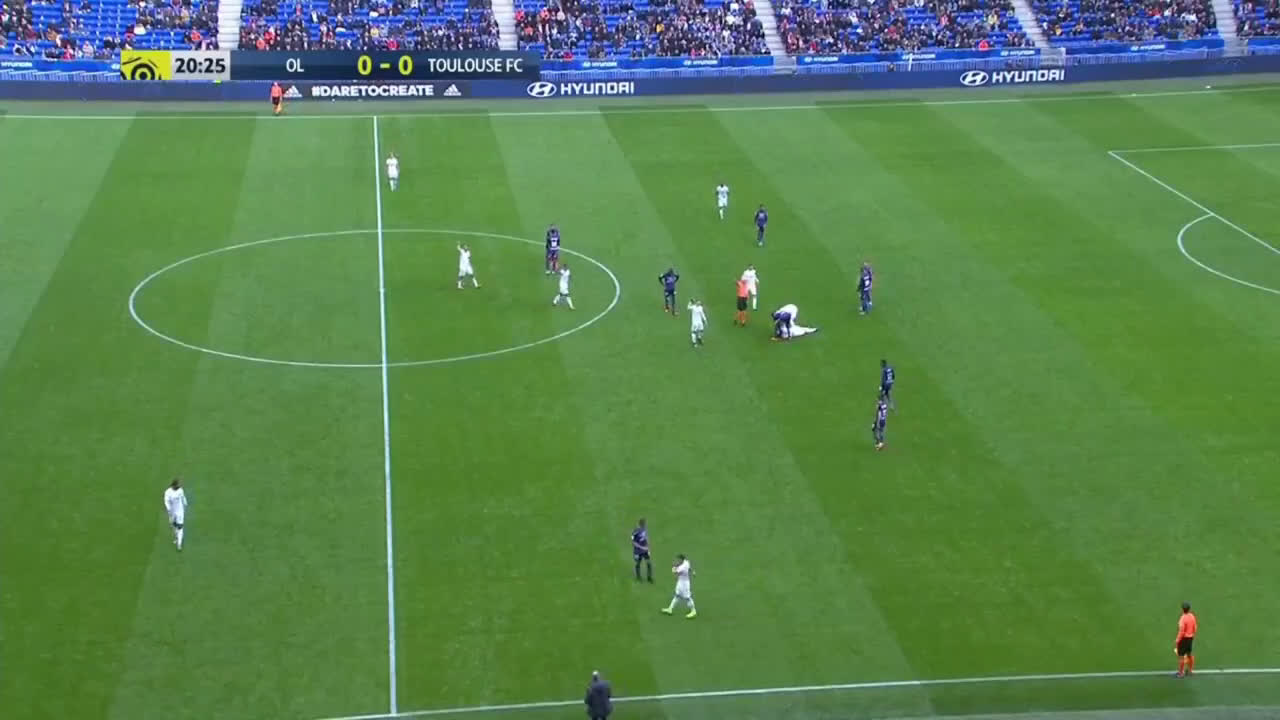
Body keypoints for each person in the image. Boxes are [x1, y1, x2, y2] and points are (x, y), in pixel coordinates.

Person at [661, 553, 696, 618]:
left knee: (687, 597)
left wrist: (673, 567)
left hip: (684, 584)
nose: (677, 561)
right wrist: (693, 571)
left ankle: (693, 611)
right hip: (680, 582)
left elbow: (675, 572)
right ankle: (670, 609)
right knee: (677, 595)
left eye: (678, 559)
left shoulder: (682, 567)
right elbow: (689, 568)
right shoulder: (686, 562)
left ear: (681, 559)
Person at [163, 478, 188, 550]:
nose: (179, 486)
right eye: (178, 485)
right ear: (174, 485)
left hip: (180, 511)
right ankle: (177, 537)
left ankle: (179, 544)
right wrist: (169, 509)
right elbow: (166, 501)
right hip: (172, 512)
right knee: (174, 526)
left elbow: (183, 497)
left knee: (180, 527)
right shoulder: (168, 492)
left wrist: (185, 503)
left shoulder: (180, 490)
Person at [1175, 602, 1197, 677]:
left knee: (1181, 656)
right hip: (1190, 638)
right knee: (1189, 654)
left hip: (1183, 639)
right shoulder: (1192, 616)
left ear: (1182, 609)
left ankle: (1181, 673)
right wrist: (1192, 634)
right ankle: (1190, 671)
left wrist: (1177, 639)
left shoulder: (1183, 618)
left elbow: (1182, 631)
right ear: (1189, 609)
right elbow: (1195, 627)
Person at [631, 518, 652, 582]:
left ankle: (649, 577)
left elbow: (646, 537)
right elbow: (633, 542)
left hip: (645, 550)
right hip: (638, 551)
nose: (645, 525)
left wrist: (648, 546)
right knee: (638, 563)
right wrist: (642, 547)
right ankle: (638, 577)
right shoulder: (635, 531)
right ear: (641, 524)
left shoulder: (644, 529)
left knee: (648, 563)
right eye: (644, 524)